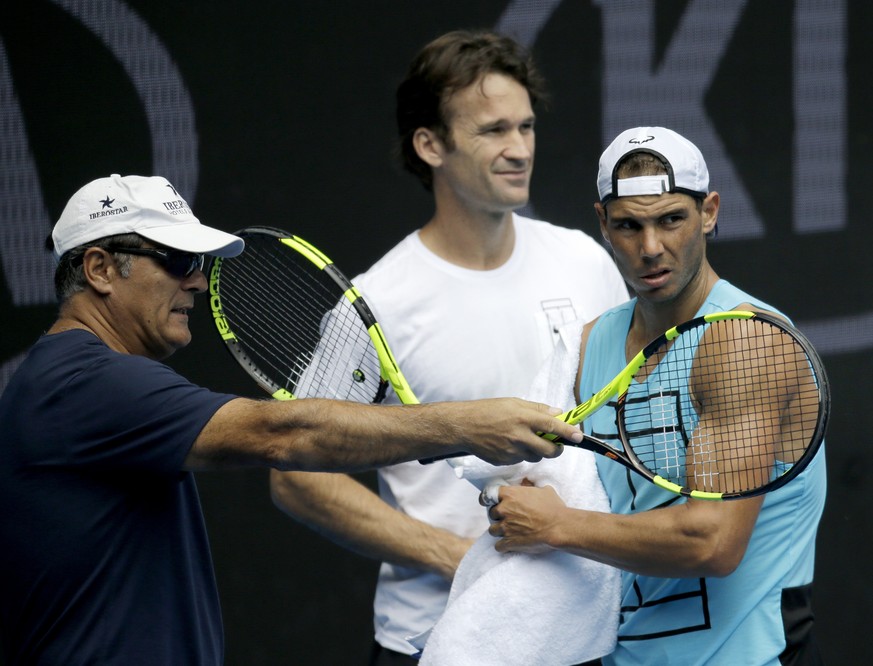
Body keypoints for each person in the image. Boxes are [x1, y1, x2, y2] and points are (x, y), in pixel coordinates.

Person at [0, 173, 585, 665]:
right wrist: (465, 426)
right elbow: (283, 432)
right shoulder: (82, 381)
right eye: (176, 260)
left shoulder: (76, 382)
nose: (199, 281)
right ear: (100, 269)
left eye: (200, 263)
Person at [269, 30, 628, 665]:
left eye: (526, 126)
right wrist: (454, 556)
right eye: (493, 131)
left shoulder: (583, 260)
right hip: (433, 639)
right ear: (430, 144)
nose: (519, 149)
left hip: (576, 637)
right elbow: (296, 474)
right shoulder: (379, 302)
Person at [485, 127, 827, 664]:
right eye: (628, 225)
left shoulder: (748, 340)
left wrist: (554, 524)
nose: (650, 248)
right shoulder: (586, 345)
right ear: (602, 223)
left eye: (671, 219)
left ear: (709, 212)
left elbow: (712, 542)